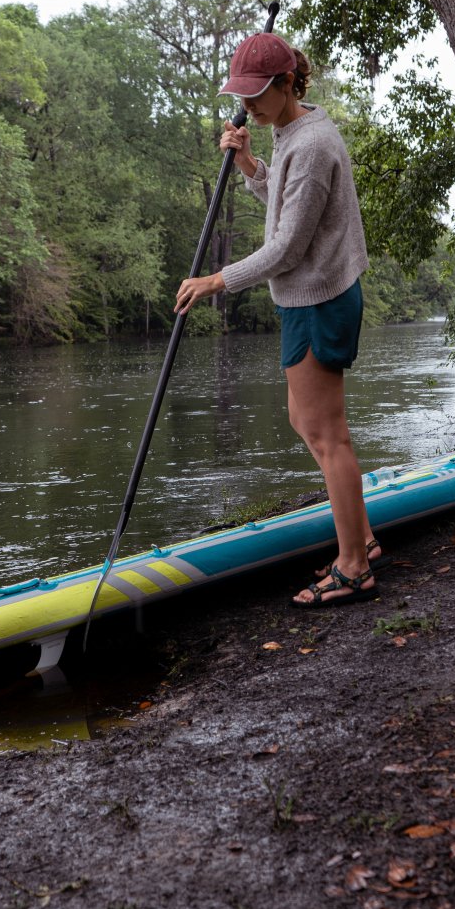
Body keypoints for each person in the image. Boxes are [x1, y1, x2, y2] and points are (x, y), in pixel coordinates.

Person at [174, 31, 381, 607]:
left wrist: (217, 280)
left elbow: (288, 247)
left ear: (288, 83)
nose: (248, 106)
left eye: (257, 93)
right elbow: (289, 210)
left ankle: (354, 565)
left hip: (318, 298)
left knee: (327, 434)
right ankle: (361, 537)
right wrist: (249, 165)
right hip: (306, 297)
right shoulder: (292, 131)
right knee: (304, 420)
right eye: (241, 95)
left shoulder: (311, 145)